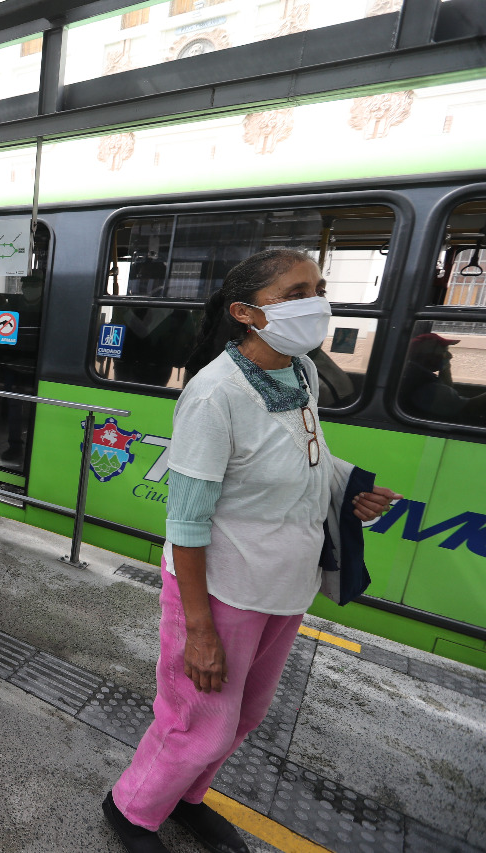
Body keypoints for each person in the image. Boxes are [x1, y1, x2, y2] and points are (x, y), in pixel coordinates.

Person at [102, 249, 400, 853]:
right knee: (198, 722)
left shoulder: (301, 373)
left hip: (285, 585)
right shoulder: (215, 396)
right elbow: (185, 523)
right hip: (220, 590)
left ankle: (184, 798)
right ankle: (132, 808)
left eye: (318, 286)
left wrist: (349, 484)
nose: (318, 300)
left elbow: (301, 451)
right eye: (297, 292)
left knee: (243, 718)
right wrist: (200, 631)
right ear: (246, 313)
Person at [398, 332, 486, 424]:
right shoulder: (427, 386)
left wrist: (445, 368)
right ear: (428, 355)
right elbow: (469, 409)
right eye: (444, 351)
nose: (450, 356)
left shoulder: (414, 373)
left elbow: (447, 390)